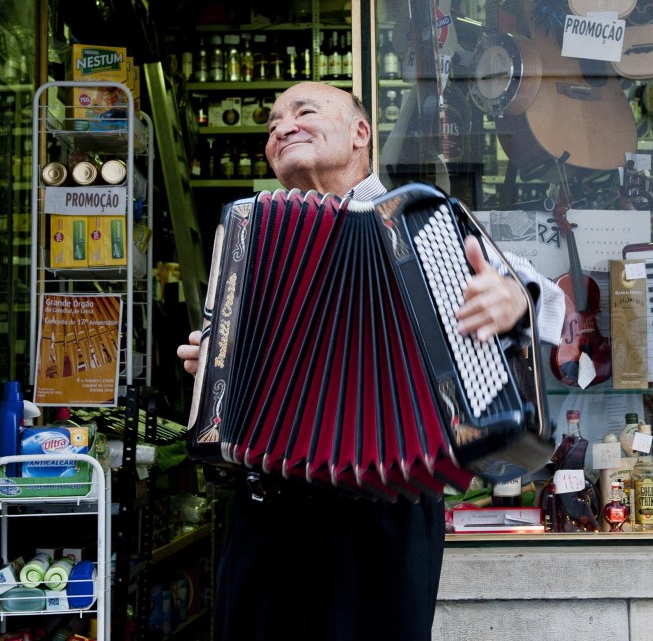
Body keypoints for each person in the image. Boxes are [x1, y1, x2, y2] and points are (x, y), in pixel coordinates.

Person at [177, 81, 565, 640]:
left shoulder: (422, 219)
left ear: (361, 133)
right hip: (266, 508)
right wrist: (215, 366)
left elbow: (538, 296)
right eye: (271, 124)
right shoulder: (254, 232)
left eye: (303, 111)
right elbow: (242, 358)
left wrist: (510, 302)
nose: (281, 127)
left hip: (385, 507)